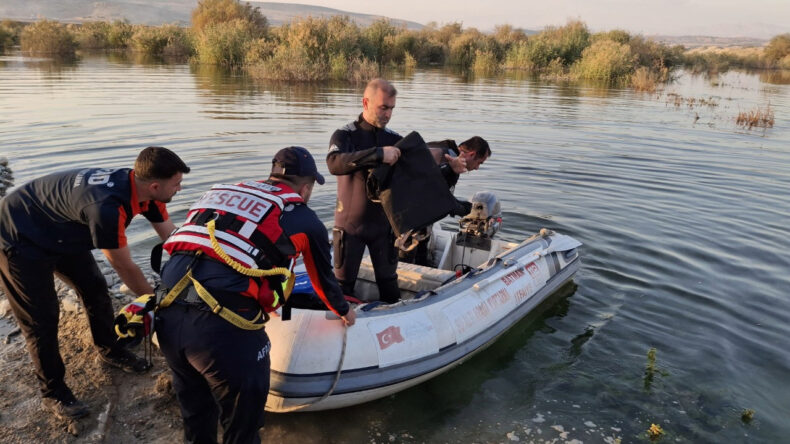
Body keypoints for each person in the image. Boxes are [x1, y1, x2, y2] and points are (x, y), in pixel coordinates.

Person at [156, 146, 355, 444]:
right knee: (243, 427)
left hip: (167, 314)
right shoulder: (304, 218)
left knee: (196, 414)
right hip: (221, 332)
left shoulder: (223, 191)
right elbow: (323, 281)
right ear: (305, 188)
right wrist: (344, 311)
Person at [0, 146, 190, 421]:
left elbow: (171, 238)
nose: (180, 189)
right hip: (18, 237)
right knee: (41, 320)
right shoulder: (107, 208)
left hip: (61, 228)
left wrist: (203, 264)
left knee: (96, 290)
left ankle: (109, 348)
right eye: (177, 184)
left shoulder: (150, 193)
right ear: (155, 185)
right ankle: (53, 393)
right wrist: (159, 304)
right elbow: (124, 266)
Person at [327, 78, 403, 303]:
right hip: (350, 228)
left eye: (391, 109)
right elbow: (334, 163)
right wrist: (379, 154)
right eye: (383, 107)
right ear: (365, 102)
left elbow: (421, 168)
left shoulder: (395, 139)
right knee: (343, 289)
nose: (388, 114)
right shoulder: (345, 135)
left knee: (389, 286)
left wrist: (450, 167)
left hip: (384, 230)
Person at [399, 136, 492, 265]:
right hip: (406, 215)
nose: (477, 168)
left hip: (415, 212)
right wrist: (466, 209)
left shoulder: (445, 151)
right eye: (479, 163)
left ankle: (421, 264)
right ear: (472, 154)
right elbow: (435, 198)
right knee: (406, 257)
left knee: (421, 248)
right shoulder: (445, 157)